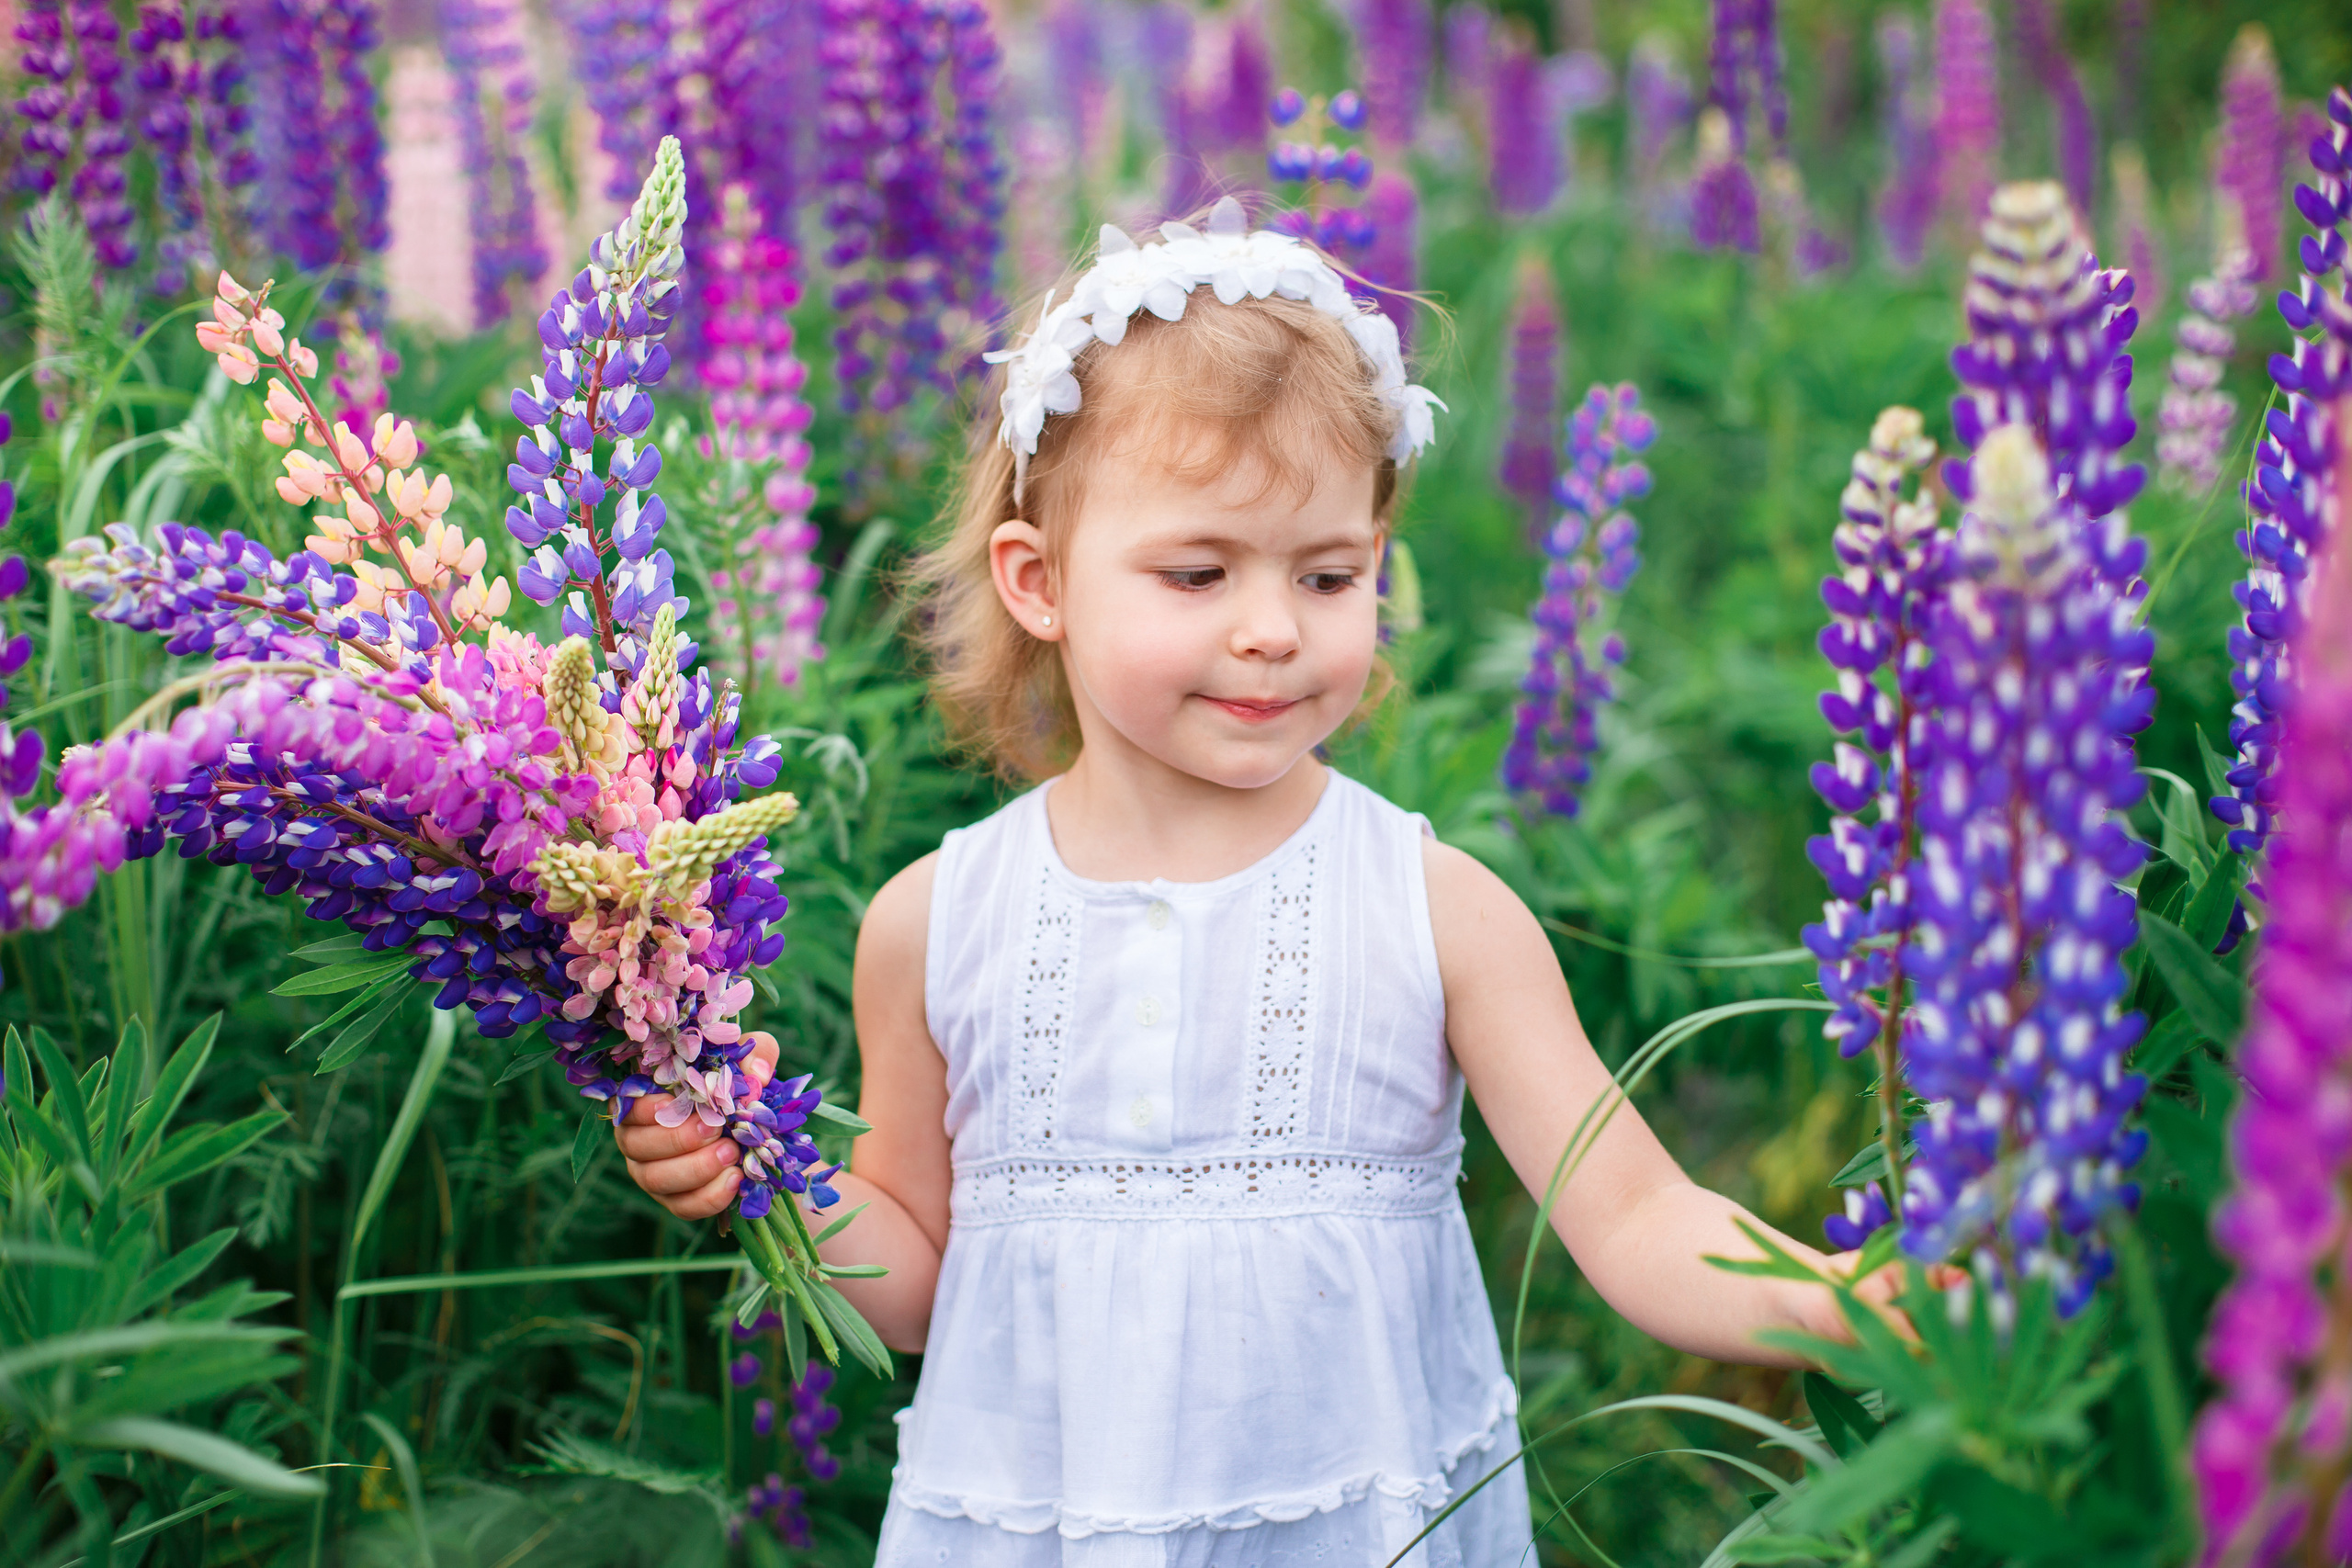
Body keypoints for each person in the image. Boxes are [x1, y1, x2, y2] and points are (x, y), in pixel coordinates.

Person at [617, 198, 1900, 1566]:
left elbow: (1633, 1213)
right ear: (1038, 582)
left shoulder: (1437, 907)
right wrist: (764, 1169)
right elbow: (929, 1281)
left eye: (1331, 573)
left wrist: (1840, 1298)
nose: (1275, 628)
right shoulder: (937, 922)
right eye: (1199, 571)